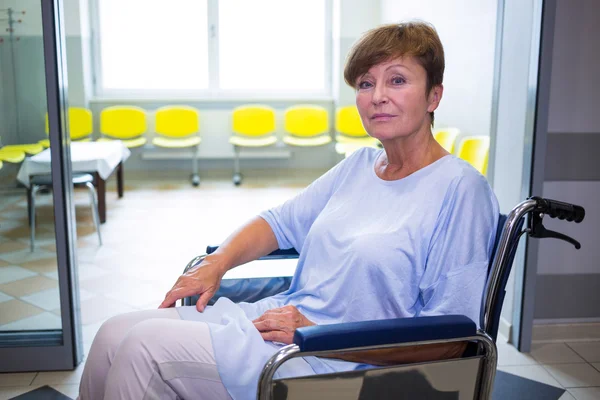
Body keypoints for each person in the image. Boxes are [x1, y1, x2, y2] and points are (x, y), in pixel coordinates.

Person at [78, 21, 499, 400]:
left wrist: (323, 334)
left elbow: (451, 339)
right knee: (113, 333)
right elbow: (278, 223)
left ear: (434, 95)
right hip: (287, 323)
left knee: (143, 348)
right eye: (366, 84)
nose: (379, 97)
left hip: (343, 360)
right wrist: (217, 262)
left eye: (398, 80)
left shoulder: (461, 190)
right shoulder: (358, 166)